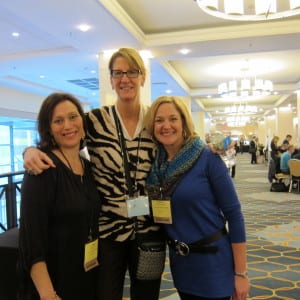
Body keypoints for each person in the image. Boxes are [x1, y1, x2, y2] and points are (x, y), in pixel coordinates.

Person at [22, 48, 163, 300]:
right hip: (108, 233)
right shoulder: (95, 121)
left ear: (143, 77)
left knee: (147, 295)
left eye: (132, 72)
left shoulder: (155, 121)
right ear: (110, 80)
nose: (125, 79)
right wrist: (29, 151)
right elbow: (64, 134)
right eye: (118, 73)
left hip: (148, 230)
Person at [144, 96, 250, 300]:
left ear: (184, 122)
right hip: (182, 264)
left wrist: (241, 272)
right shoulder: (156, 166)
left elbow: (235, 216)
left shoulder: (207, 157)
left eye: (173, 119)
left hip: (213, 264)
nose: (166, 126)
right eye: (159, 120)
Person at [18, 93, 100, 300]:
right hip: (53, 284)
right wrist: (47, 294)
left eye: (73, 117)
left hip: (85, 275)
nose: (67, 126)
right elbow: (31, 240)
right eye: (58, 120)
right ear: (48, 128)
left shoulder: (88, 167)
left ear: (82, 120)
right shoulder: (42, 169)